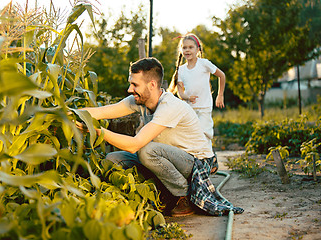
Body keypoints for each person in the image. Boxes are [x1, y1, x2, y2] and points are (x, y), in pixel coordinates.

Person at [77, 57, 243, 217]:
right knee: (113, 158)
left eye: (134, 84)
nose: (129, 89)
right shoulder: (139, 101)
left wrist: (97, 131)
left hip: (194, 164)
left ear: (152, 84)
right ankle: (160, 189)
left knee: (146, 150)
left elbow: (135, 145)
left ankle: (183, 195)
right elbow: (104, 111)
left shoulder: (169, 106)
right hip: (168, 160)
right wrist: (71, 113)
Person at [167, 33, 226, 151]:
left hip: (204, 107)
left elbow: (222, 75)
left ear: (197, 49)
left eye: (190, 47)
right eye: (184, 48)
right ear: (181, 50)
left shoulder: (204, 64)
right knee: (191, 136)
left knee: (204, 134)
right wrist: (187, 97)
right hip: (190, 109)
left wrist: (220, 95)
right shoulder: (181, 70)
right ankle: (196, 160)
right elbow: (181, 93)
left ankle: (209, 159)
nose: (187, 50)